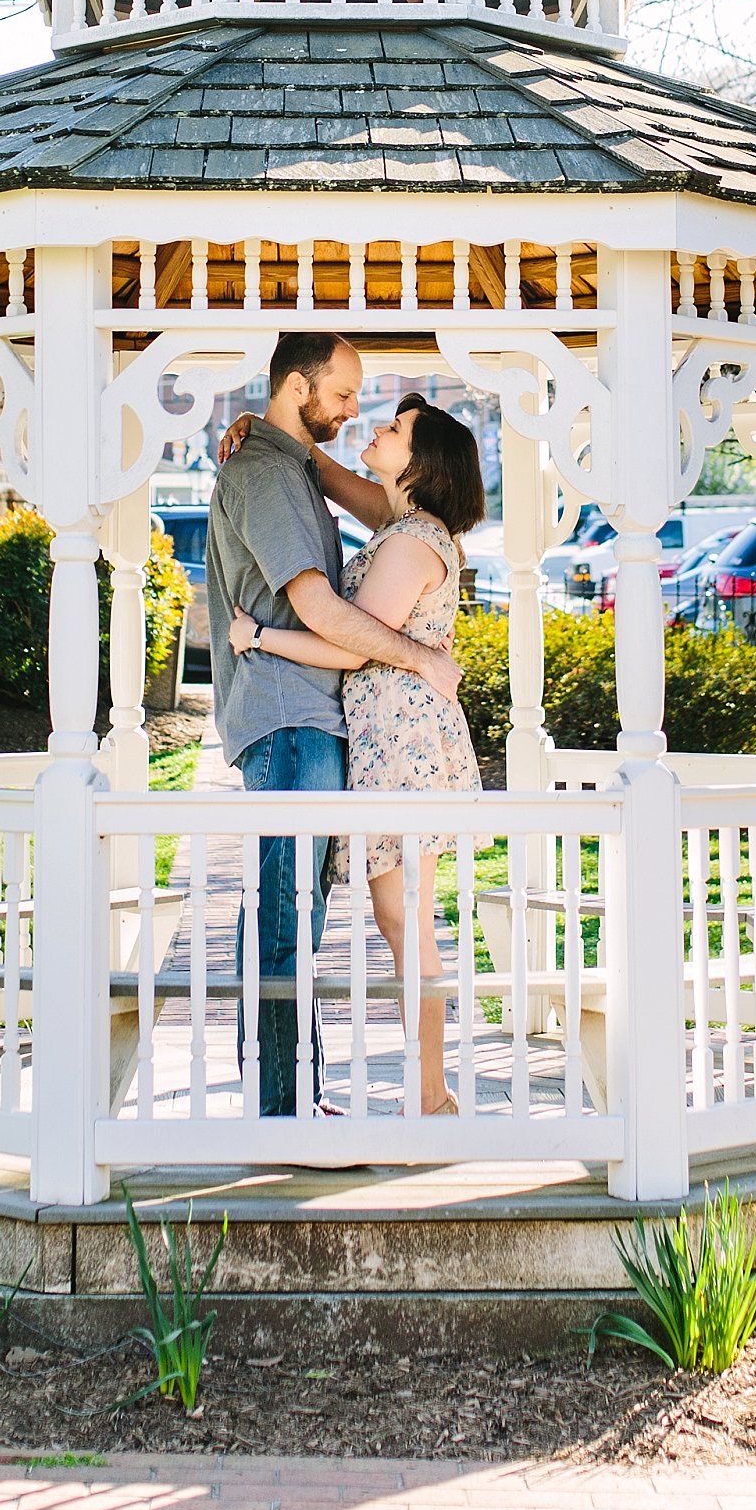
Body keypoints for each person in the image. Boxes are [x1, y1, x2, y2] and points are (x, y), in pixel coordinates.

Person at [203, 334, 464, 1120]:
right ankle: (285, 1107)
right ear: (295, 387)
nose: (357, 416)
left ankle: (386, 1098)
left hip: (357, 731)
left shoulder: (393, 521)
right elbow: (323, 610)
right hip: (295, 719)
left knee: (354, 914)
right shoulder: (273, 474)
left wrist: (277, 430)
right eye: (346, 395)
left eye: (378, 418)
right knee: (292, 910)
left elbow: (372, 511)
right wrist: (419, 658)